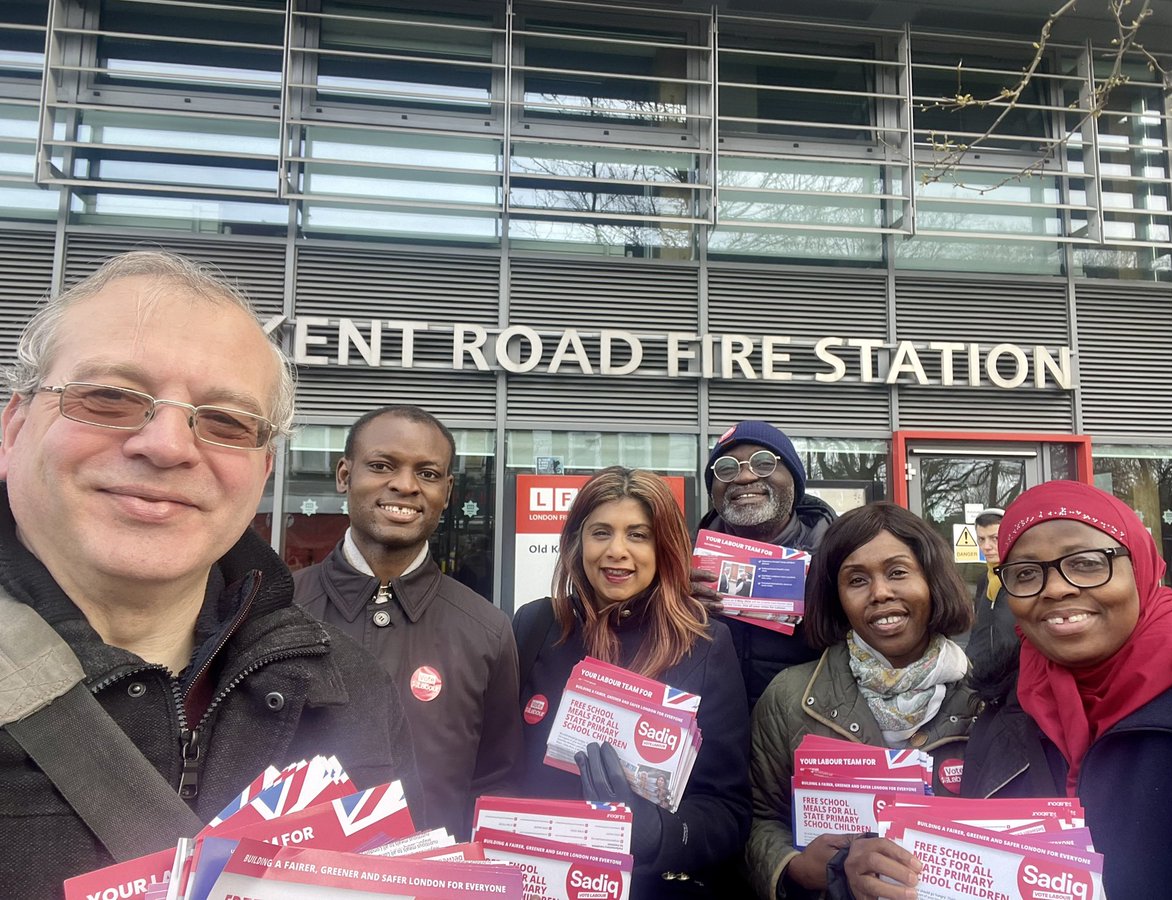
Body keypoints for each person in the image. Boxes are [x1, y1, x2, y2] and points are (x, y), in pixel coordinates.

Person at [0, 251, 424, 896]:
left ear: (264, 470)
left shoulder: (347, 686)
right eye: (110, 398)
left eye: (226, 420)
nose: (168, 446)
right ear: (14, 426)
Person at [512, 467, 751, 898]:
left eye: (638, 535)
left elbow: (729, 811)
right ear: (577, 542)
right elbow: (499, 766)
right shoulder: (536, 624)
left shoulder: (704, 644)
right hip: (536, 880)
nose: (616, 551)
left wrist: (658, 833)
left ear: (664, 546)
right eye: (601, 532)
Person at [962, 481, 1172, 900]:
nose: (1055, 589)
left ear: (1141, 565)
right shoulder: (1001, 708)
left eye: (1087, 563)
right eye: (1025, 573)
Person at [294, 405, 521, 840]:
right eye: (381, 466)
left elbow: (496, 786)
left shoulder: (486, 630)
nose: (405, 485)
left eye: (429, 474)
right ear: (345, 474)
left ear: (447, 491)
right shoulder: (273, 611)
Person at [748, 502, 976, 900]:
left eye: (898, 572)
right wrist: (794, 866)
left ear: (932, 580)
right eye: (856, 580)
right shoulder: (789, 697)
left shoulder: (988, 697)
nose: (881, 593)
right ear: (836, 597)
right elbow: (759, 818)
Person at [694, 421, 838, 709]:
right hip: (713, 734)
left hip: (801, 730)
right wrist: (671, 605)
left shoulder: (839, 558)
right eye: (726, 468)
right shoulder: (681, 561)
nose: (745, 477)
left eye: (763, 463)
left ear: (794, 480)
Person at [964, 507, 1016, 665]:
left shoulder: (1024, 580)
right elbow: (978, 630)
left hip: (1014, 677)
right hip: (982, 674)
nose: (986, 546)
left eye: (995, 538)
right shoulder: (984, 580)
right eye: (981, 539)